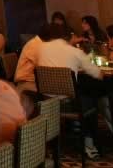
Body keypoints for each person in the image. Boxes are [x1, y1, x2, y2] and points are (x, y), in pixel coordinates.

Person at [38, 22, 103, 158]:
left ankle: (67, 134)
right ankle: (89, 143)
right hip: (68, 103)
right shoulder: (75, 52)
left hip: (46, 101)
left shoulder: (41, 48)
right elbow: (97, 74)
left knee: (81, 94)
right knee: (92, 98)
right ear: (70, 37)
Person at [12, 24, 50, 92]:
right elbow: (44, 67)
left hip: (33, 81)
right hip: (26, 83)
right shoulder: (36, 45)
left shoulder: (38, 43)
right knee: (55, 91)